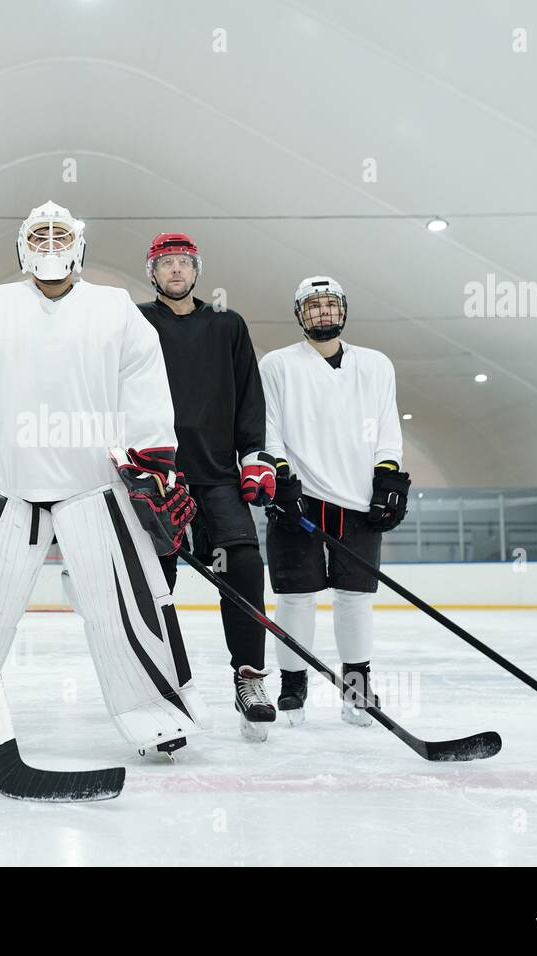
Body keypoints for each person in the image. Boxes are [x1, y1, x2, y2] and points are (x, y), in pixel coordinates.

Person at [0, 201, 209, 759]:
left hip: (96, 483)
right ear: (21, 246)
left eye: (60, 235)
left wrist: (154, 467)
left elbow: (146, 388)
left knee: (128, 603)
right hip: (5, 482)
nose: (50, 245)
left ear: (79, 245)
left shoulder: (116, 308)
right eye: (39, 235)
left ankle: (158, 712)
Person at [135, 233, 277, 742]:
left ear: (197, 271)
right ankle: (157, 685)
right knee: (152, 580)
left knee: (241, 563)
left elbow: (249, 398)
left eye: (184, 263)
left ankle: (249, 678)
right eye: (166, 263)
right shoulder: (136, 322)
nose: (176, 271)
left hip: (217, 475)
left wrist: (254, 458)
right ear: (152, 273)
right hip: (155, 475)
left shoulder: (228, 326)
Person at [259, 276, 410, 727]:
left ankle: (357, 692)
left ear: (343, 310)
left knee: (355, 600)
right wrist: (280, 477)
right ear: (299, 315)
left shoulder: (377, 364)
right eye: (312, 306)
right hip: (299, 500)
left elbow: (387, 427)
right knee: (295, 600)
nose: (322, 312)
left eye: (329, 305)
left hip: (359, 502)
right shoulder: (277, 365)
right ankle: (292, 689)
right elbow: (269, 428)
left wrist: (388, 474)